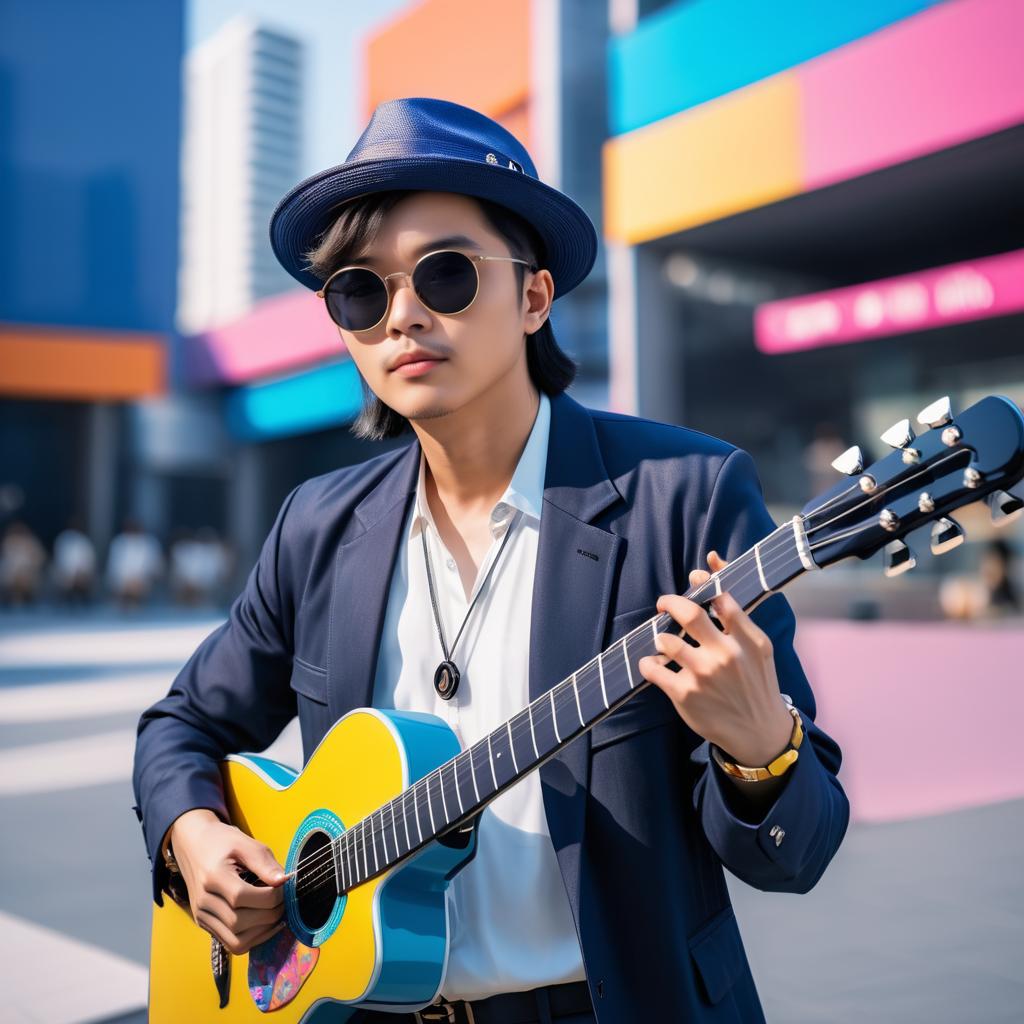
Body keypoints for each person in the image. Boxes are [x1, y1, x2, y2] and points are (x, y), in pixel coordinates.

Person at [132, 97, 849, 1024]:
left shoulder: (688, 496)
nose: (401, 317)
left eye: (446, 275)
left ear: (535, 296)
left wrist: (761, 752)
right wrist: (193, 835)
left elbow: (797, 851)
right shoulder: (315, 527)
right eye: (360, 289)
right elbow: (179, 726)